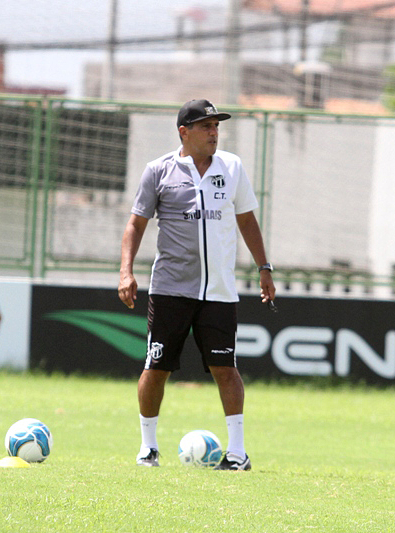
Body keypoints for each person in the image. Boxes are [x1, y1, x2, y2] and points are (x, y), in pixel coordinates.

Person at [118, 98, 276, 470]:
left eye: (216, 126)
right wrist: (126, 271)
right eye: (206, 126)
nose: (213, 132)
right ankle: (148, 448)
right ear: (184, 132)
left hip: (219, 290)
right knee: (156, 367)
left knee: (226, 368)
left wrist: (264, 267)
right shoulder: (158, 171)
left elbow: (247, 221)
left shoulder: (231, 167)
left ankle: (236, 453)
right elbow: (135, 224)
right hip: (171, 288)